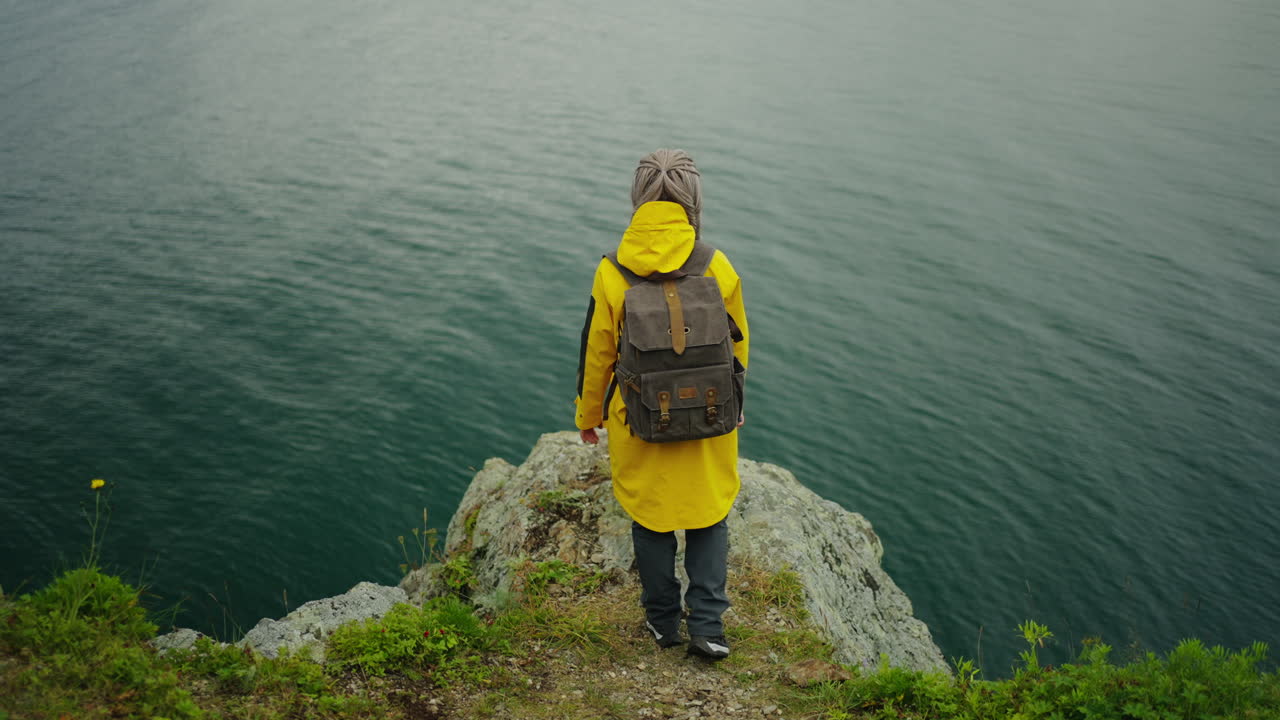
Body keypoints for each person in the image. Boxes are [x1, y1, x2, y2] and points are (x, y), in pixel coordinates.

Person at [574, 149, 749, 660]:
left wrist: (588, 416)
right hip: (710, 415)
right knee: (708, 517)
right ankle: (710, 628)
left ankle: (662, 623)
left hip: (641, 420)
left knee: (651, 521)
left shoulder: (612, 271)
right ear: (694, 198)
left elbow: (597, 353)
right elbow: (739, 345)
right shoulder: (715, 263)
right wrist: (735, 404)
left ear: (637, 196)